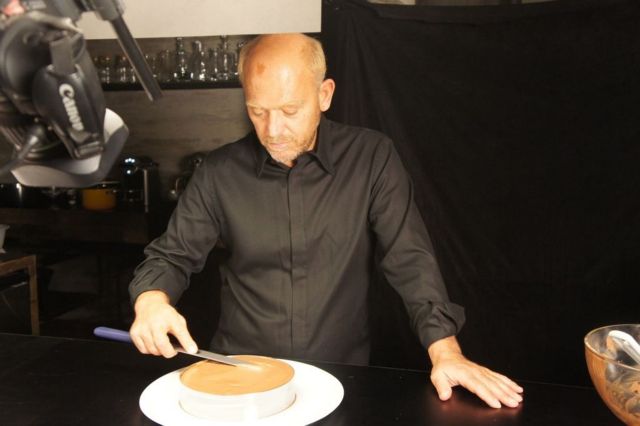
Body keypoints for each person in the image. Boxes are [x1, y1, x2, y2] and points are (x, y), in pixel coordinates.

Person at [129, 33, 523, 409]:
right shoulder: (218, 172)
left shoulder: (372, 158)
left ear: (324, 95)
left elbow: (410, 259)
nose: (273, 131)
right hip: (240, 376)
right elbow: (172, 255)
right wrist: (151, 302)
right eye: (257, 111)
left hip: (341, 377)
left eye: (289, 110)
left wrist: (446, 351)